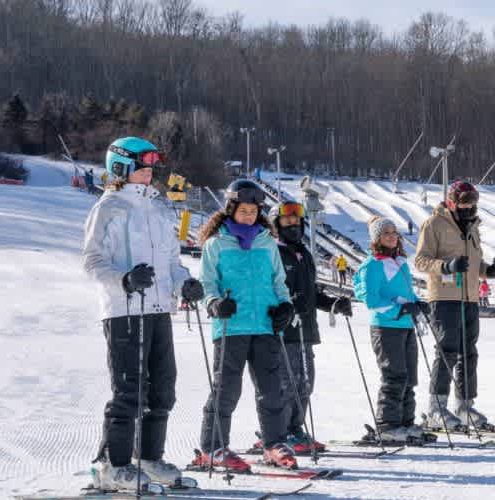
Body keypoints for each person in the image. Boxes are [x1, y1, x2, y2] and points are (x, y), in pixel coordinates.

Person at [83, 136, 204, 492]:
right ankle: (112, 466)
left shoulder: (158, 208)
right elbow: (92, 261)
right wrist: (124, 279)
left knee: (162, 389)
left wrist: (185, 284)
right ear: (120, 166)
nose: (150, 172)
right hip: (123, 309)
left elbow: (169, 263)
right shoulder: (108, 207)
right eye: (143, 166)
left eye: (152, 166)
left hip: (157, 309)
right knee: (129, 390)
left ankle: (148, 459)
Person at [191, 179, 298, 473]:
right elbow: (207, 283)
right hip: (231, 326)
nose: (249, 215)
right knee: (226, 389)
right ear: (231, 209)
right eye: (244, 210)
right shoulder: (216, 244)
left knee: (272, 388)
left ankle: (274, 443)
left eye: (254, 210)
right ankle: (213, 447)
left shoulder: (267, 242)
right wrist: (214, 303)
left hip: (264, 325)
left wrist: (285, 305)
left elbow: (278, 281)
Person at [415, 180, 495, 431]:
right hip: (444, 297)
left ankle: (464, 405)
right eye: (465, 203)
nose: (469, 208)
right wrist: (446, 266)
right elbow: (421, 261)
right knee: (447, 350)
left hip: (470, 297)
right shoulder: (434, 224)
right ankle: (436, 407)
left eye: (473, 204)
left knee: (469, 352)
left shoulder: (473, 227)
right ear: (452, 202)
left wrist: (489, 271)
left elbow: (475, 264)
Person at [266, 201, 352, 454]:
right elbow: (269, 289)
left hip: (306, 328)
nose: (293, 226)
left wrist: (333, 304)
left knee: (305, 382)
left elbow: (312, 293)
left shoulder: (304, 254)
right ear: (276, 225)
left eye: (296, 222)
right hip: (284, 329)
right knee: (287, 382)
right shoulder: (273, 253)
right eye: (286, 222)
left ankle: (295, 428)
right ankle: (279, 431)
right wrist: (289, 304)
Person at [354, 216, 429, 442]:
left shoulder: (400, 262)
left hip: (405, 326)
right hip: (386, 326)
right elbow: (371, 299)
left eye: (394, 232)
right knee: (394, 375)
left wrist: (418, 302)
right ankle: (387, 424)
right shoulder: (373, 265)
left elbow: (405, 293)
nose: (391, 236)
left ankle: (406, 422)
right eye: (385, 233)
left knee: (409, 377)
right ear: (377, 238)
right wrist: (400, 309)